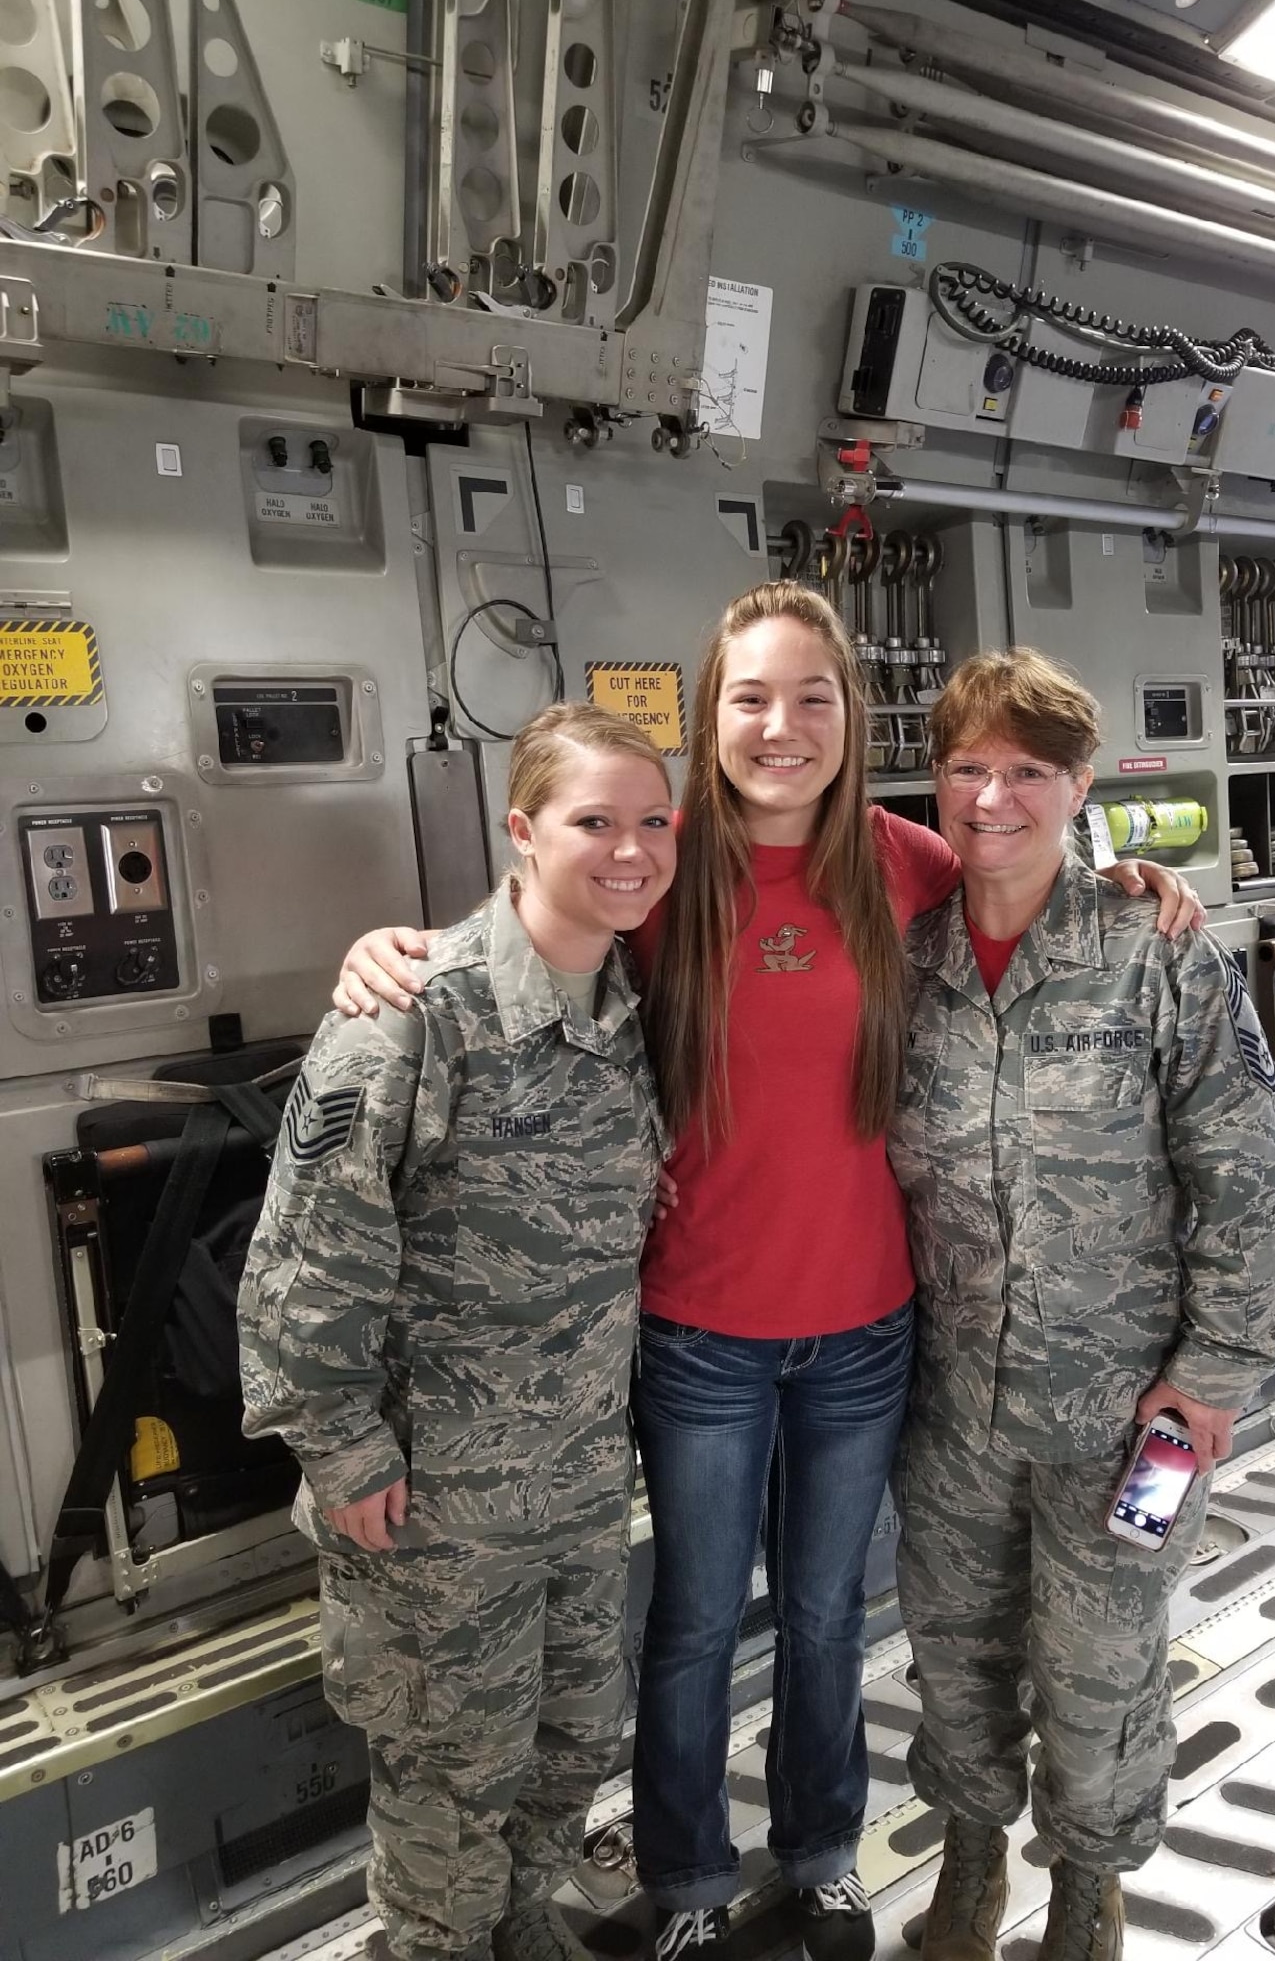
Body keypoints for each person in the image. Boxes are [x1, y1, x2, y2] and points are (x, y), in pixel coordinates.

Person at [335, 586, 1201, 1961]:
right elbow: (543, 898)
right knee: (688, 1625)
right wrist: (401, 948)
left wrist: (1136, 878)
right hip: (699, 1333)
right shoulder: (664, 864)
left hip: (867, 1333)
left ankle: (821, 1854)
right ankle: (686, 1880)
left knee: (821, 1620)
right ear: (710, 715)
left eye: (813, 696)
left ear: (850, 716)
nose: (782, 725)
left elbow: (1024, 878)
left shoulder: (900, 860)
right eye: (752, 697)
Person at [889, 650, 1275, 1961]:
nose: (994, 797)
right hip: (951, 1410)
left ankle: (1091, 1885)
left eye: (1029, 770)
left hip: (1131, 1417)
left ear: (1079, 787)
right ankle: (970, 1863)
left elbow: (1254, 1183)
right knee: (956, 1659)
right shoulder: (906, 964)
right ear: (939, 781)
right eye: (968, 767)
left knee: (1099, 1672)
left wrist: (1210, 1385)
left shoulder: (1156, 951)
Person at [238, 703, 677, 1961]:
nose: (631, 848)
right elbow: (303, 1262)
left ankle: (524, 1924)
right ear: (522, 830)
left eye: (654, 821)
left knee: (577, 1738)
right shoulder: (410, 1015)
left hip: (580, 1481)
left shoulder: (632, 1006)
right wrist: (346, 1454)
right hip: (433, 1502)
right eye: (596, 821)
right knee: (449, 1772)